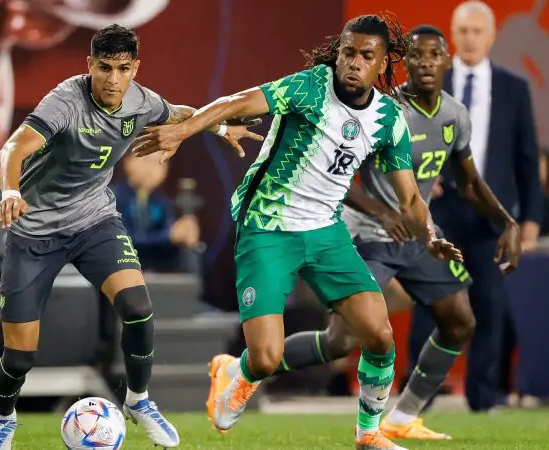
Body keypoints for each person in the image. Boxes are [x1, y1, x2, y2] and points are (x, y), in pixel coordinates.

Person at [132, 15, 465, 450]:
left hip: (326, 232)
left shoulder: (388, 119)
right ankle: (234, 370)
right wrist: (182, 130)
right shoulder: (309, 87)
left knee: (379, 335)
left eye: (366, 56)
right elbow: (236, 101)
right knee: (266, 359)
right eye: (348, 52)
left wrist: (429, 235)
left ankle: (368, 434)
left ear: (384, 63)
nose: (354, 63)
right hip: (267, 227)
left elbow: (411, 198)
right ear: (338, 53)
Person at [0, 24, 259, 449]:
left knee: (137, 306)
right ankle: (2, 418)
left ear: (135, 68)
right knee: (19, 357)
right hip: (35, 230)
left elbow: (179, 113)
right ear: (90, 65)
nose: (114, 79)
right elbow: (12, 148)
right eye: (105, 68)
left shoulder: (140, 100)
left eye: (123, 69)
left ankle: (138, 400)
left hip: (93, 221)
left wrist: (221, 130)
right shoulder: (64, 102)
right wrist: (10, 191)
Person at [246, 25, 520, 441]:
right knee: (342, 340)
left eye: (434, 55)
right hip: (369, 236)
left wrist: (507, 222)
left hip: (419, 234)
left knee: (460, 321)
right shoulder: (383, 110)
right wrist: (380, 211)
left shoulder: (454, 115)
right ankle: (244, 367)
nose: (425, 63)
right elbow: (333, 171)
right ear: (403, 62)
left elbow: (468, 183)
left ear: (447, 62)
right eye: (417, 55)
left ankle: (402, 416)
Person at [412, 0, 542, 413]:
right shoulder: (429, 82)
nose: (469, 39)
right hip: (440, 211)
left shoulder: (513, 88)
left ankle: (482, 400)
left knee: (489, 306)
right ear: (452, 36)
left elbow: (526, 158)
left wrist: (530, 219)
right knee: (430, 303)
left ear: (491, 36)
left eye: (476, 31)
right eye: (462, 31)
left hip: (491, 213)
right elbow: (401, 141)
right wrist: (418, 177)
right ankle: (418, 398)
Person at [113, 152, 201, 272]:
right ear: (128, 161)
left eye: (160, 162)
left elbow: (168, 244)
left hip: (155, 274)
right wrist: (169, 236)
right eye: (147, 160)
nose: (152, 168)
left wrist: (184, 237)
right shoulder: (112, 197)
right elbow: (119, 242)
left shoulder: (162, 203)